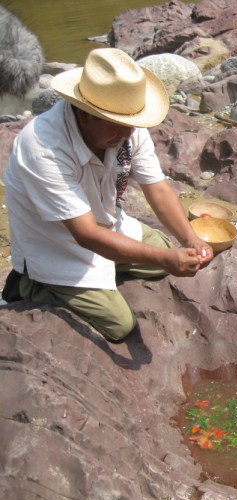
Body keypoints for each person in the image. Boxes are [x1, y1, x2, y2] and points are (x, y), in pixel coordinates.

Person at [2, 48, 214, 342]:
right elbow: (85, 234)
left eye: (131, 123)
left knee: (165, 250)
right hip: (57, 246)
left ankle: (115, 259)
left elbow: (158, 188)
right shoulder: (43, 146)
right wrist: (165, 258)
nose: (127, 133)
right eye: (116, 124)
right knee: (120, 324)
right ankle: (29, 284)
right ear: (85, 113)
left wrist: (190, 239)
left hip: (107, 223)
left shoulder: (126, 127)